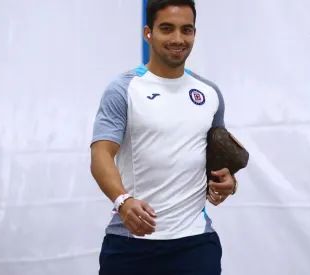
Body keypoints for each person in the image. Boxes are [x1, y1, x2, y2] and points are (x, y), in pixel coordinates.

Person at [90, 0, 237, 274]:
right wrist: (123, 201)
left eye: (186, 30)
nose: (178, 39)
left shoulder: (209, 93)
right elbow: (100, 154)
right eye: (167, 29)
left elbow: (215, 159)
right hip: (132, 245)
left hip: (195, 244)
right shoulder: (124, 88)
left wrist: (228, 181)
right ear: (148, 33)